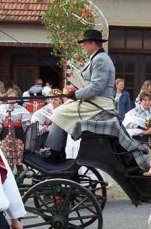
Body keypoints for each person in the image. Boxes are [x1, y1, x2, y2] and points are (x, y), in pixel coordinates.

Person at [46, 29, 116, 163]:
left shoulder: (100, 59)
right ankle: (58, 149)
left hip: (100, 103)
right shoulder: (97, 58)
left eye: (84, 43)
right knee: (63, 108)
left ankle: (55, 152)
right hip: (94, 100)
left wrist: (75, 94)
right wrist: (76, 92)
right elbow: (92, 85)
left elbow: (96, 87)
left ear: (93, 43)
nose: (82, 46)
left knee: (59, 112)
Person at [0, 89, 32, 174]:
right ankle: (8, 177)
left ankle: (21, 178)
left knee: (18, 161)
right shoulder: (1, 109)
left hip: (17, 137)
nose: (11, 99)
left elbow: (26, 125)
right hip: (5, 137)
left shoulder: (21, 109)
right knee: (7, 161)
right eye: (10, 97)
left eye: (13, 97)